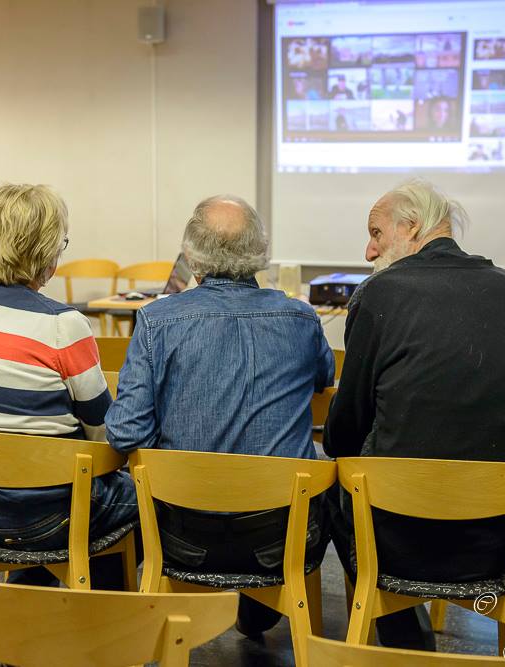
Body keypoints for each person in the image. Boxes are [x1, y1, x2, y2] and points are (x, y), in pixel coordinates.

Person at [323, 179, 505, 649]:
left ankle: (403, 634)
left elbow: (345, 433)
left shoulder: (379, 293)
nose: (368, 251)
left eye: (376, 233)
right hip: (501, 536)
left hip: (401, 538)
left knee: (328, 487)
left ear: (412, 227)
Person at [106, 194, 335, 635]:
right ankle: (261, 603)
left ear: (190, 256)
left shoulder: (156, 321)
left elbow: (125, 433)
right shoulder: (301, 318)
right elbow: (324, 376)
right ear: (260, 251)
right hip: (281, 538)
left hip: (181, 535)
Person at [0, 183, 137, 587]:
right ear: (46, 250)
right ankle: (102, 618)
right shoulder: (62, 325)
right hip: (53, 516)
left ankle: (30, 598)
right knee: (155, 503)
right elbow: (105, 437)